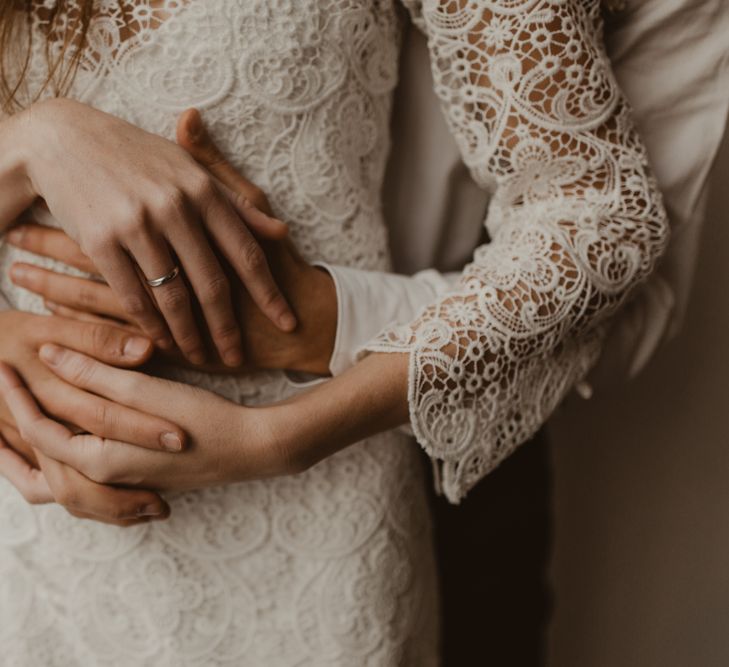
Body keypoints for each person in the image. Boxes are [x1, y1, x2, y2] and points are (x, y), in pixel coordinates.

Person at [0, 2, 669, 664]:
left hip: (313, 535)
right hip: (31, 532)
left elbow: (597, 216)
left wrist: (284, 438)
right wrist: (36, 143)